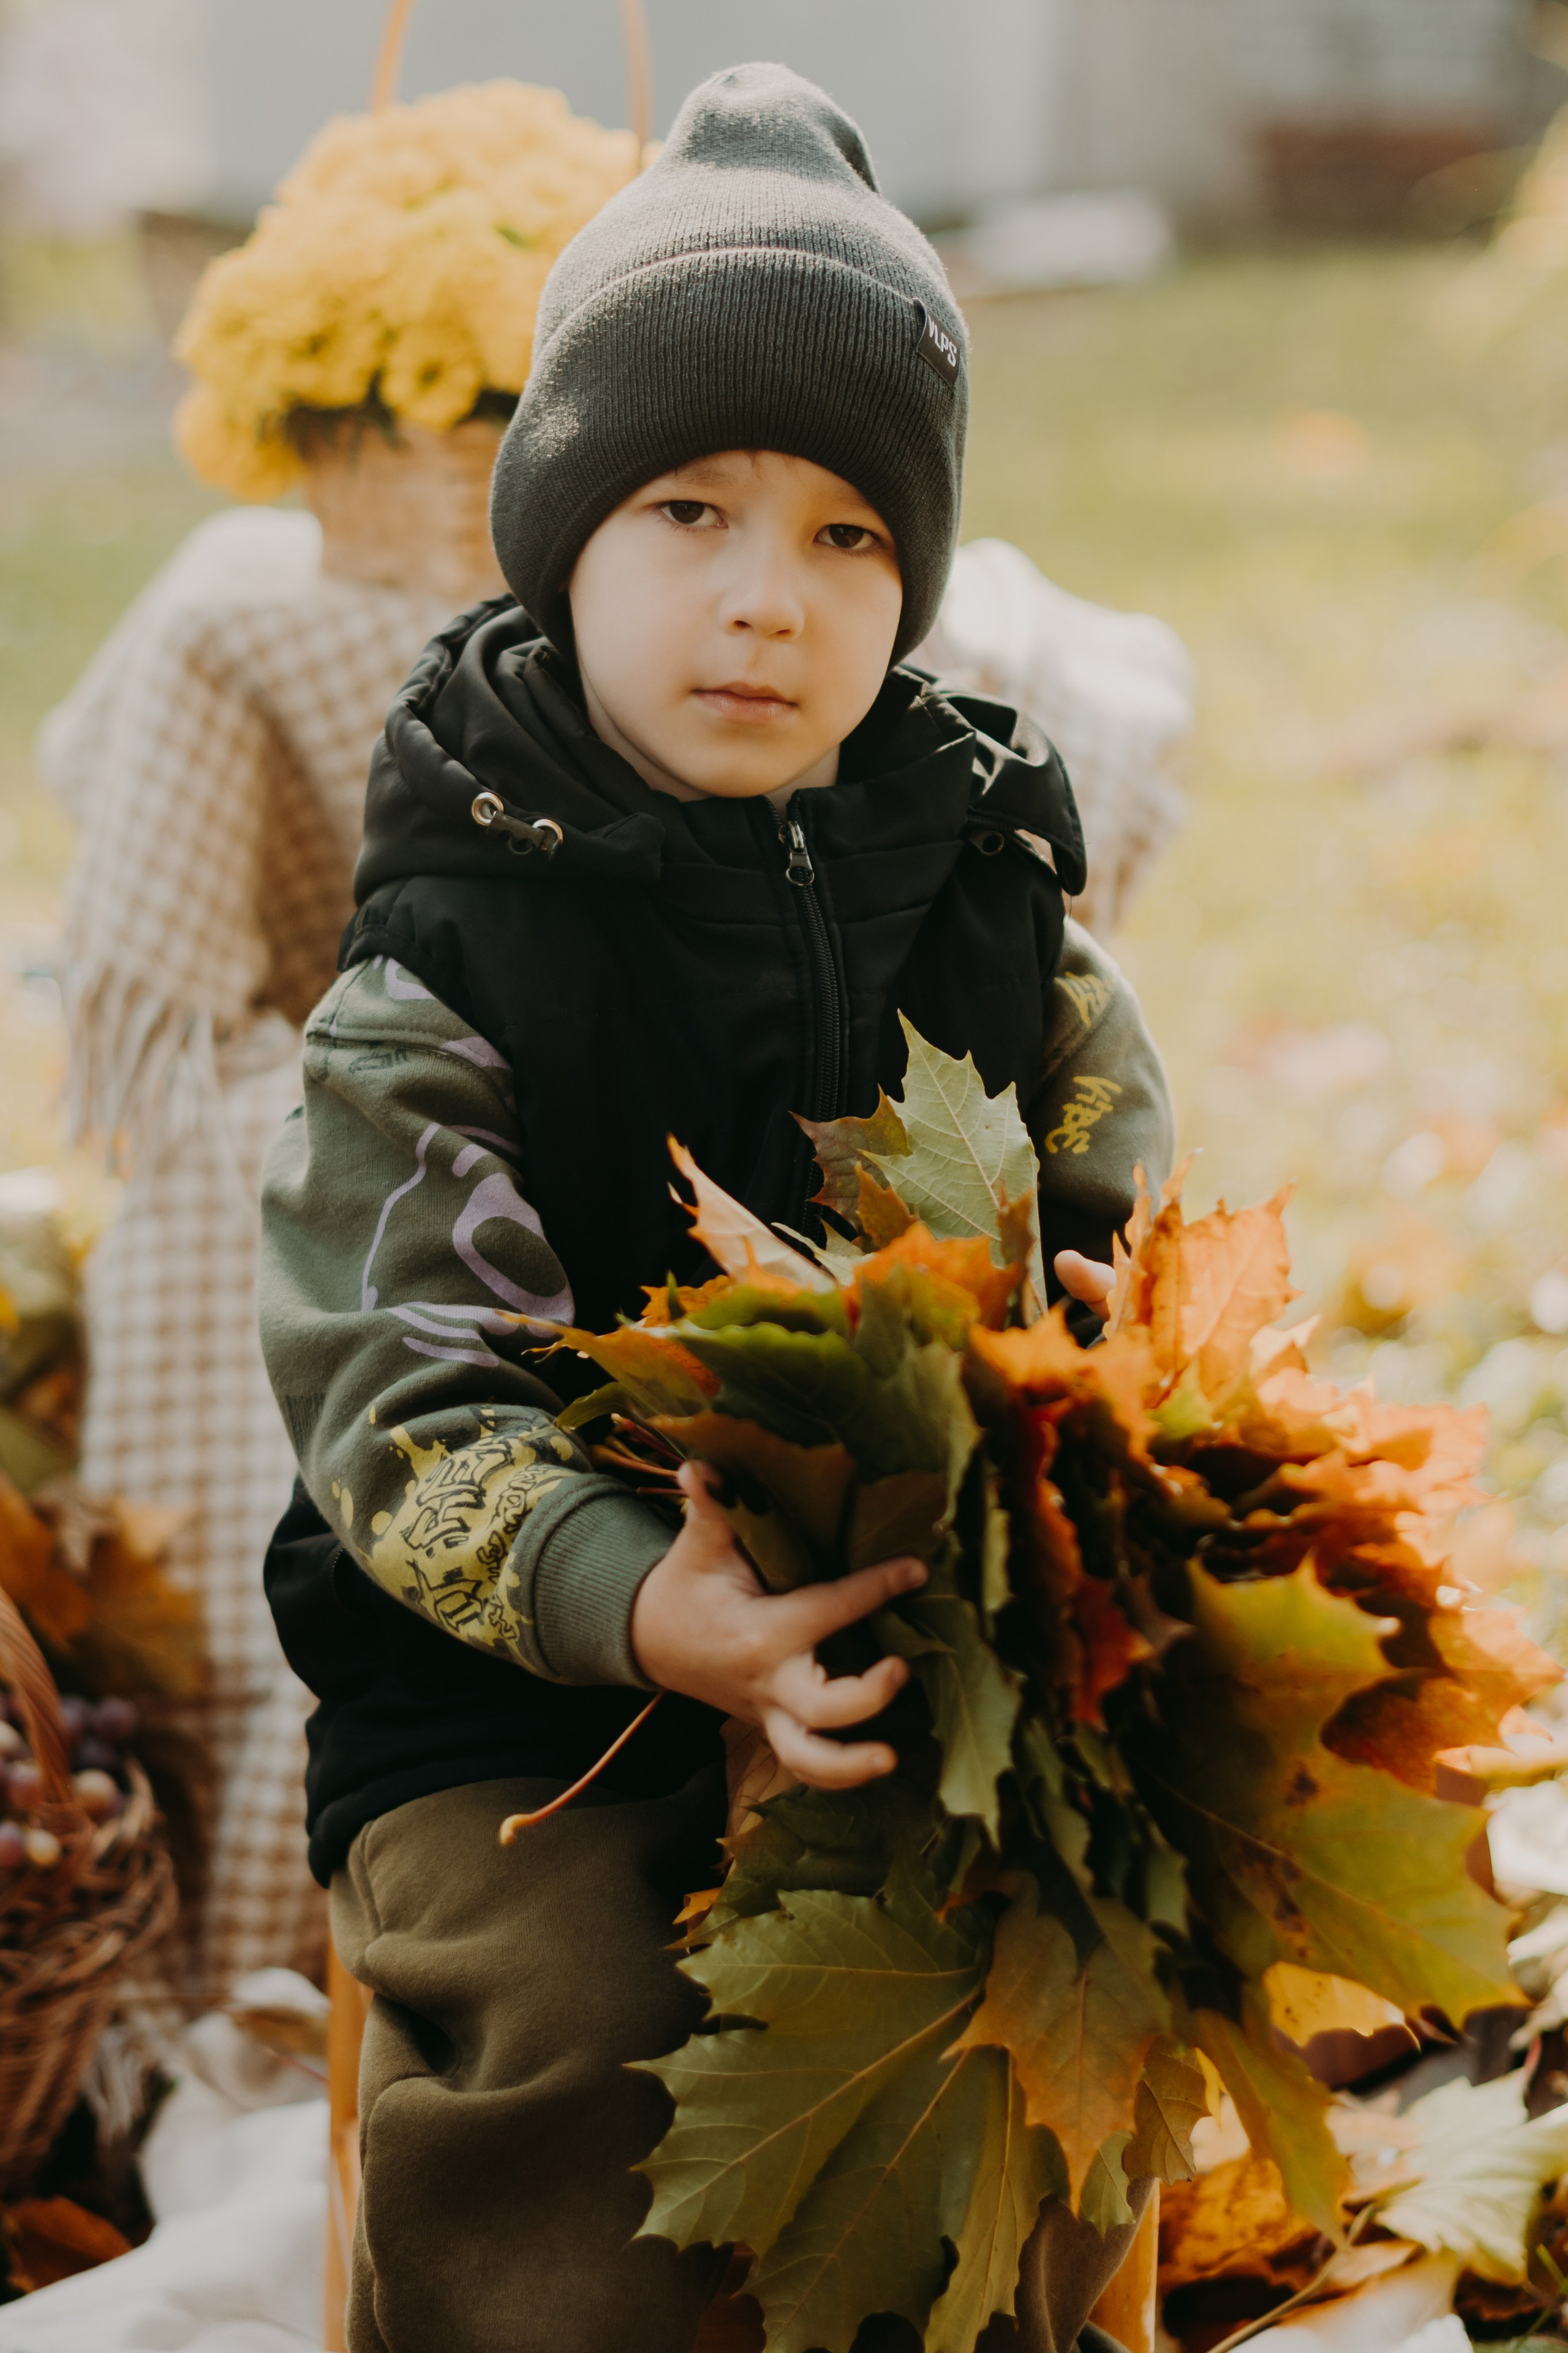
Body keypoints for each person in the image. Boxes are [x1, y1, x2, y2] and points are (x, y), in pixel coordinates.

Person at [258, 62, 1175, 2353]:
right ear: (560, 531)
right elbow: (392, 1383)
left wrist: (1086, 1440)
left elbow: (1116, 1234)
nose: (770, 599)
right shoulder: (451, 950)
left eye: (851, 535)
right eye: (690, 508)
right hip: (518, 1685)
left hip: (910, 1631)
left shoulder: (994, 910)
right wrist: (623, 1604)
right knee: (573, 2017)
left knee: (1054, 1960)